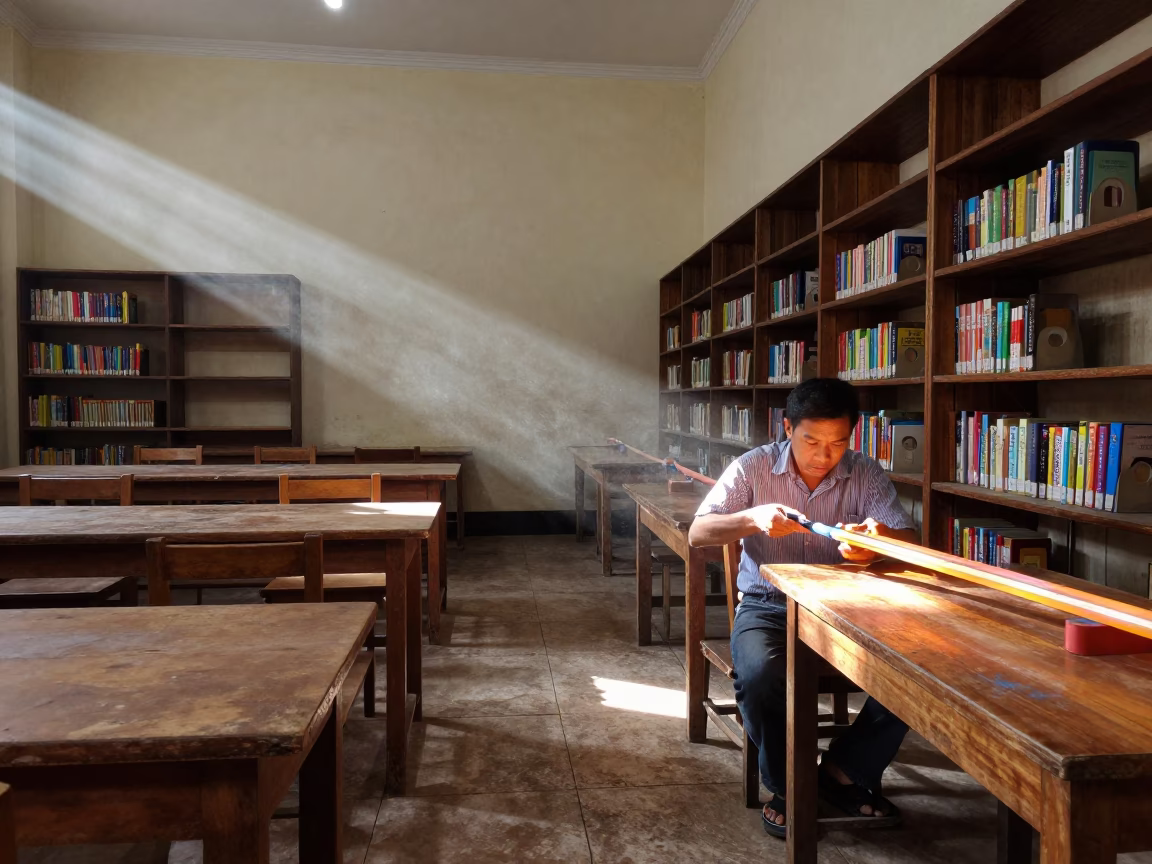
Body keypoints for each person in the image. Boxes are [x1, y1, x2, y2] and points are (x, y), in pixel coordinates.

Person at [687, 377, 918, 839]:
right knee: (759, 676)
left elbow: (907, 541)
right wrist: (750, 518)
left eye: (837, 442)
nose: (823, 454)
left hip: (848, 608)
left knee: (920, 673)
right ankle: (790, 784)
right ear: (787, 426)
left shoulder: (865, 473)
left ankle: (843, 771)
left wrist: (879, 541)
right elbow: (699, 532)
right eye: (811, 439)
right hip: (768, 606)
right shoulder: (753, 468)